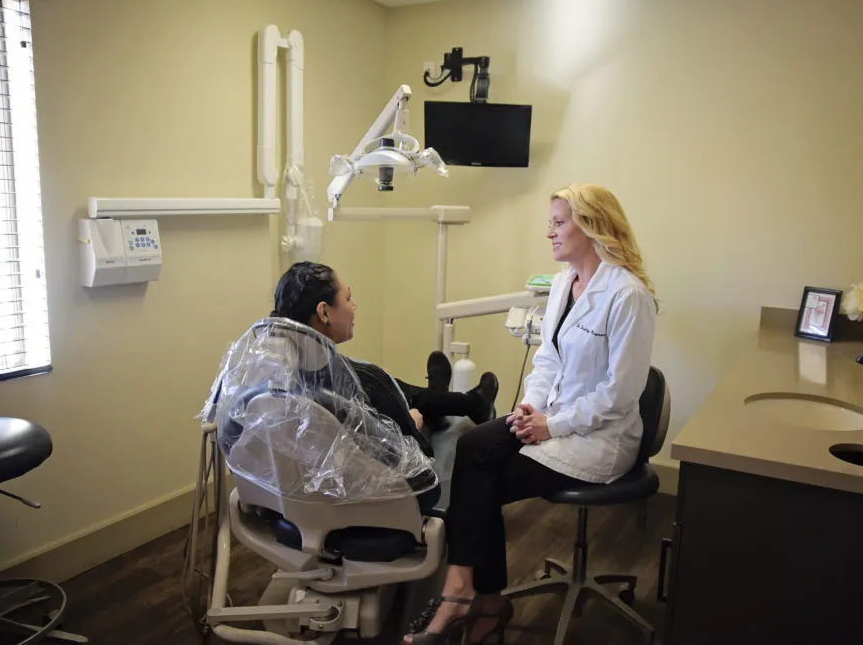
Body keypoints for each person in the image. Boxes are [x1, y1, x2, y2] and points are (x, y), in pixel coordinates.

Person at [403, 184, 658, 645]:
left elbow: (619, 397)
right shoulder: (563, 284)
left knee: (481, 484)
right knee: (472, 446)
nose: (550, 233)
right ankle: (476, 596)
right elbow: (547, 362)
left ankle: (473, 596)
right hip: (551, 418)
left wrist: (551, 425)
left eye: (559, 223)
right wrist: (529, 408)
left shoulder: (627, 297)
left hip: (600, 438)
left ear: (593, 225)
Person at [269, 261, 501, 451]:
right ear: (324, 311)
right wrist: (411, 423)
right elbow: (409, 453)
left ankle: (443, 390)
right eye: (348, 298)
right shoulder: (363, 380)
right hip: (393, 485)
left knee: (404, 391)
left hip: (301, 494)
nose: (354, 306)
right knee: (415, 402)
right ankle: (465, 400)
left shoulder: (276, 377)